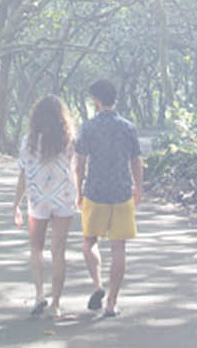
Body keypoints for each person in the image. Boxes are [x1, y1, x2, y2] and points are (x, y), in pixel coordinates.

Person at [73, 78, 142, 318]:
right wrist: (138, 188)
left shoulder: (88, 127)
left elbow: (79, 164)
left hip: (95, 192)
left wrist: (78, 191)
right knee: (118, 248)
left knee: (89, 241)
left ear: (98, 100)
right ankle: (112, 303)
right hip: (122, 192)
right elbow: (136, 160)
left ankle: (98, 285)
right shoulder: (128, 127)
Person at [13, 94, 78, 317]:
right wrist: (78, 196)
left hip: (37, 199)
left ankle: (40, 294)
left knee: (36, 249)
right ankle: (56, 305)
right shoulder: (69, 140)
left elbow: (23, 174)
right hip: (64, 198)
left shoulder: (27, 142)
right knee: (58, 251)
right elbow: (75, 171)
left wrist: (16, 205)